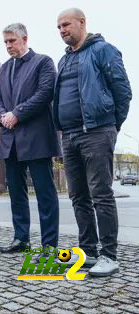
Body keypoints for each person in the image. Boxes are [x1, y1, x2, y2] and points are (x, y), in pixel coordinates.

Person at [55, 8, 132, 276]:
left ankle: (109, 255)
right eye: (59, 27)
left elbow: (123, 92)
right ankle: (87, 251)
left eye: (66, 25)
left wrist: (110, 126)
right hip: (70, 135)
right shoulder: (63, 61)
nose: (62, 30)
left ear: (82, 23)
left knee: (101, 194)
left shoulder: (103, 51)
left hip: (97, 132)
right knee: (78, 196)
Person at [0, 23, 61, 255]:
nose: (8, 45)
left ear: (24, 38)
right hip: (10, 139)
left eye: (12, 40)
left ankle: (49, 244)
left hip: (36, 138)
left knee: (45, 192)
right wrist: (3, 115)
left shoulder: (43, 62)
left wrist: (17, 113)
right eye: (5, 42)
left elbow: (45, 93)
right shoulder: (4, 68)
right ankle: (21, 238)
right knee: (16, 191)